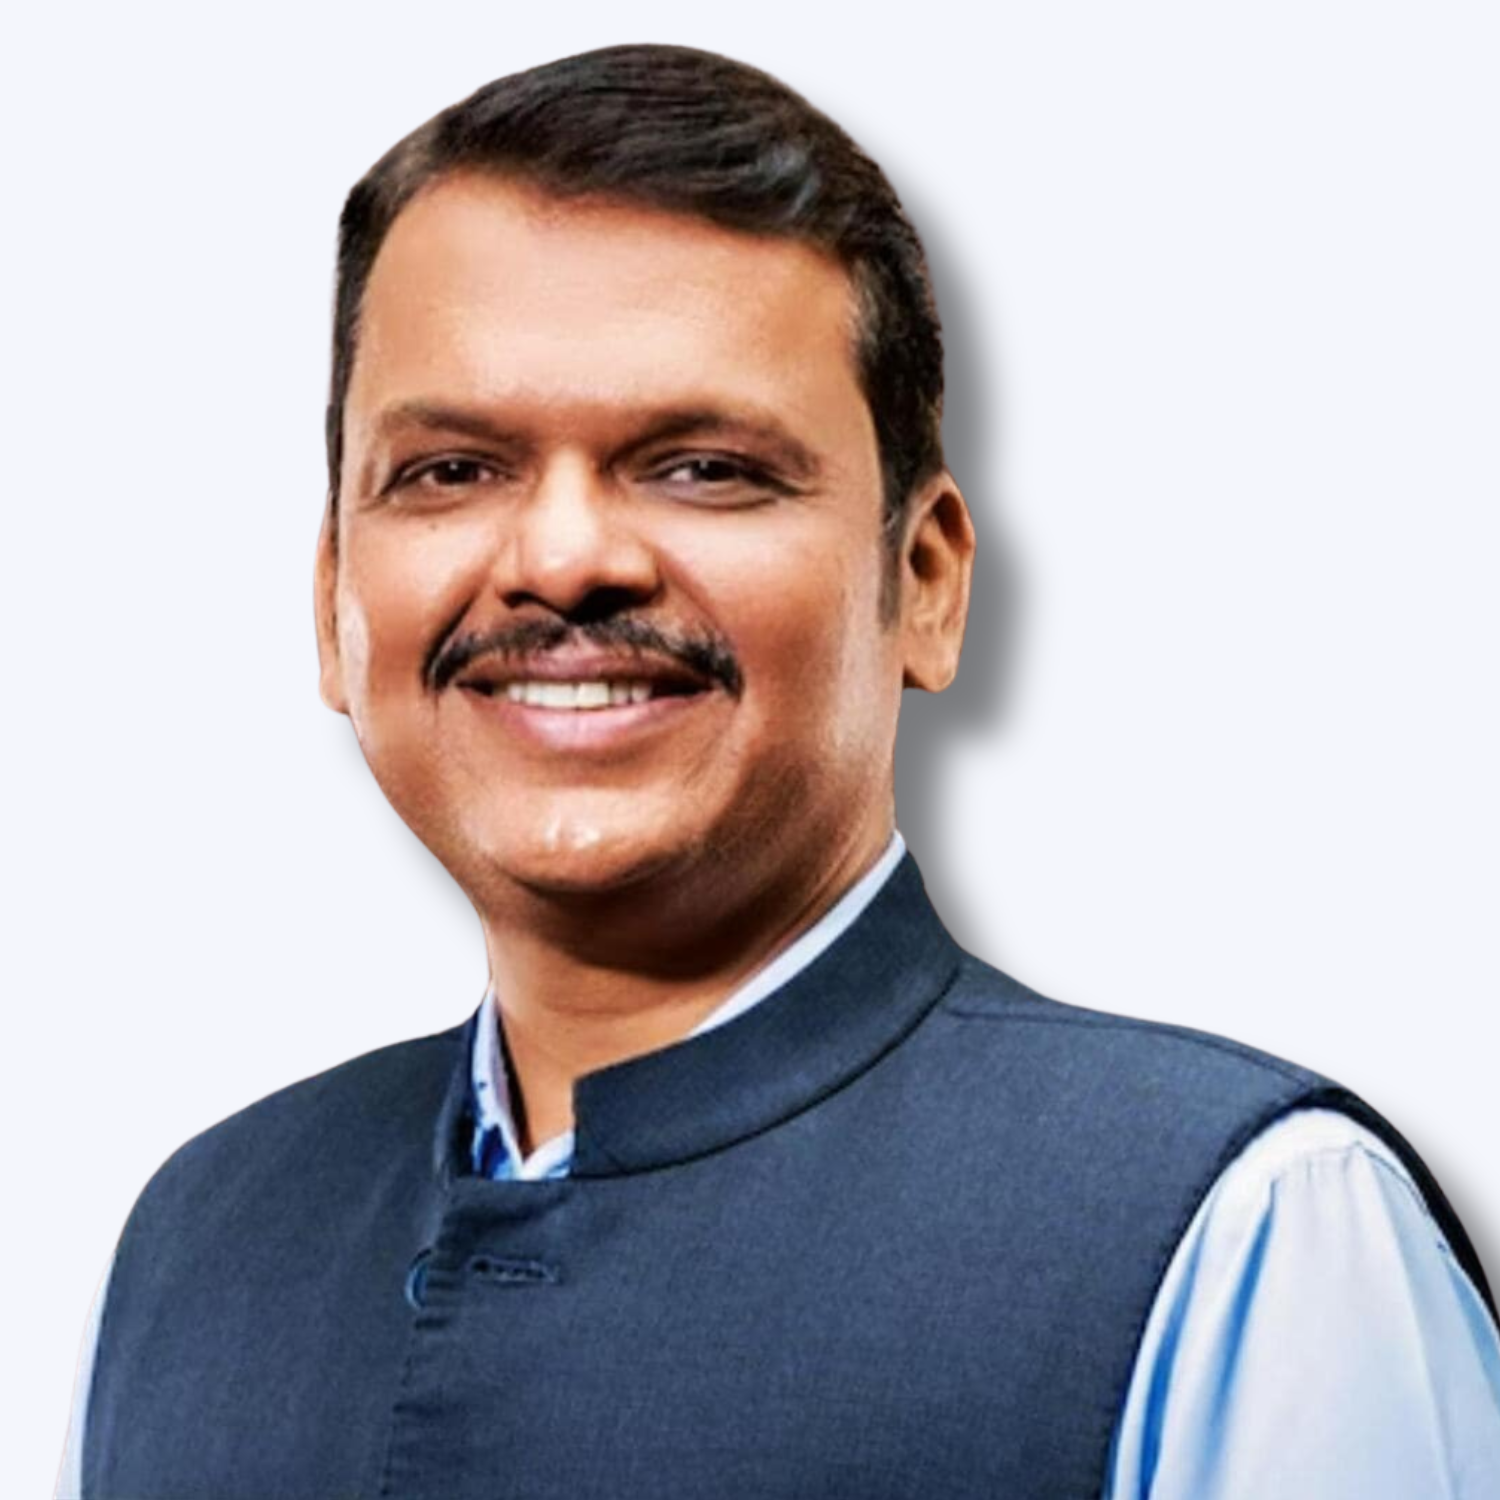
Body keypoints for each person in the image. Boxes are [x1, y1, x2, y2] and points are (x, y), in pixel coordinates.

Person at [62, 43, 1500, 1500]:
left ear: (924, 582)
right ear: (333, 605)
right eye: (451, 471)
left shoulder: (1249, 1242)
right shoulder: (199, 1252)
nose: (563, 557)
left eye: (704, 467)